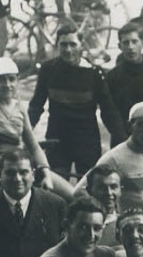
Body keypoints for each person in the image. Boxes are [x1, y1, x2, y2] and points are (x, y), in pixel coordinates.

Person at [29, 25, 126, 179]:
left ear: (81, 46)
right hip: (57, 142)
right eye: (63, 45)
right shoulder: (48, 70)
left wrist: (123, 140)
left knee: (88, 190)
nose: (68, 50)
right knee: (57, 190)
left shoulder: (94, 73)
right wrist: (24, 133)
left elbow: (108, 110)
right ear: (57, 46)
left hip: (86, 143)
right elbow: (36, 105)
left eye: (73, 44)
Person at [0, 57, 53, 178]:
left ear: (17, 80)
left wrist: (45, 171)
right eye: (1, 80)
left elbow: (33, 145)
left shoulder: (19, 106)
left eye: (11, 79)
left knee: (69, 193)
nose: (7, 84)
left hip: (21, 164)